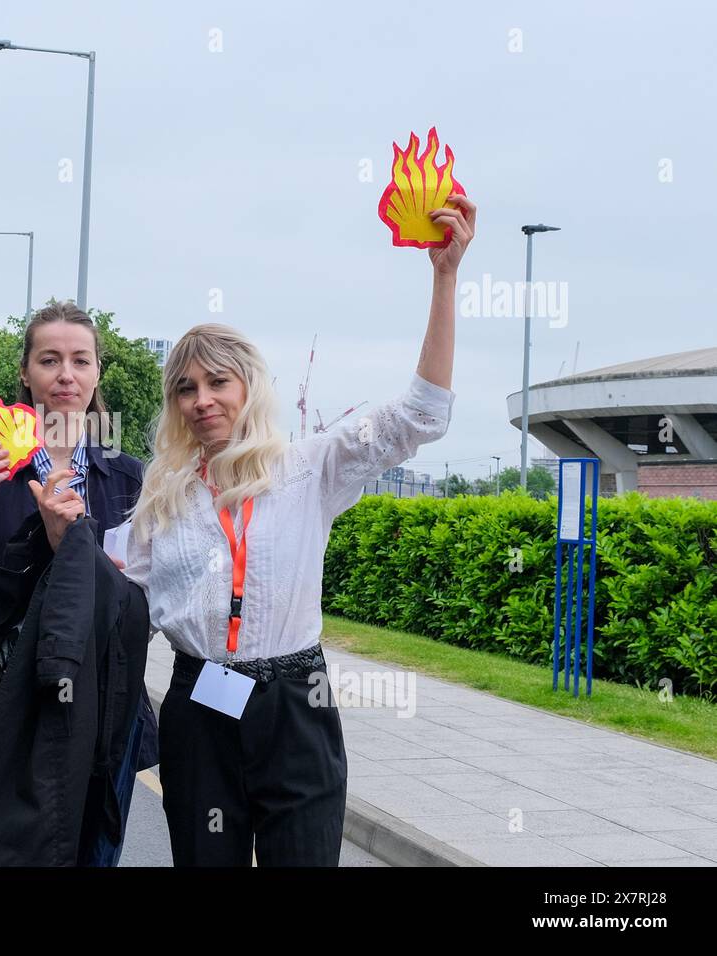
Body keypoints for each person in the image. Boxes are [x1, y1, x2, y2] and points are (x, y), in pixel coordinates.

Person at [124, 196, 476, 866]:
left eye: (218, 382)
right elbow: (121, 604)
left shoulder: (308, 468)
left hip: (295, 708)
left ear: (249, 386)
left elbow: (421, 417)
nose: (202, 400)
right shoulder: (161, 496)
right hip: (199, 706)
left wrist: (445, 279)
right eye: (186, 388)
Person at [0, 301, 157, 866]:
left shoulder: (126, 477)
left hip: (99, 702)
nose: (66, 375)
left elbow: (138, 609)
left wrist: (70, 547)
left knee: (91, 853)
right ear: (25, 373)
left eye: (80, 360)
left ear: (98, 371)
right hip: (3, 700)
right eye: (49, 360)